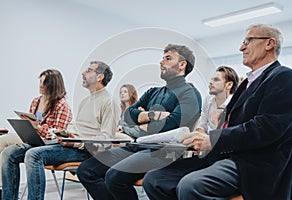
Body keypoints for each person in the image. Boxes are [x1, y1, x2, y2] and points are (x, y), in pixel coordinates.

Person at [143, 24, 292, 200]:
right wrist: (202, 140)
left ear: (269, 43)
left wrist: (213, 139)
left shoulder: (285, 77)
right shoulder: (247, 83)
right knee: (154, 179)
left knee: (191, 186)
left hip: (254, 163)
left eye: (247, 41)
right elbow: (230, 124)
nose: (242, 47)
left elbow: (267, 128)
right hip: (225, 155)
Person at [77, 44, 202, 200]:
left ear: (182, 64)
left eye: (168, 58)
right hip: (138, 145)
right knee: (86, 170)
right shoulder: (153, 92)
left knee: (114, 177)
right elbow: (127, 116)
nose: (161, 62)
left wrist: (141, 120)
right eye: (162, 58)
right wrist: (152, 115)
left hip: (164, 151)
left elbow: (173, 124)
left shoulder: (190, 94)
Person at [2, 61, 118, 200]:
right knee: (9, 153)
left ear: (99, 77)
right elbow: (76, 128)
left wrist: (75, 142)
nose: (83, 73)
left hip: (84, 151)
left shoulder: (108, 102)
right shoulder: (85, 101)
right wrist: (63, 134)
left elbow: (105, 141)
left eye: (88, 70)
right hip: (68, 143)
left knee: (33, 155)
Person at [0, 69, 73, 197]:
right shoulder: (36, 101)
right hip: (34, 141)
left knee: (25, 152)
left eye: (44, 83)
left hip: (49, 145)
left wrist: (38, 128)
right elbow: (33, 127)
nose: (40, 85)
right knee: (7, 152)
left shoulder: (62, 106)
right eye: (40, 82)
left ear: (53, 85)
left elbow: (58, 136)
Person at [195, 66, 239, 132]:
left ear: (229, 85)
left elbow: (229, 135)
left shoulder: (235, 104)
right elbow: (201, 126)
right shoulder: (208, 99)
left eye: (216, 80)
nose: (210, 82)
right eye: (211, 79)